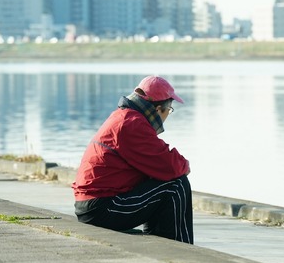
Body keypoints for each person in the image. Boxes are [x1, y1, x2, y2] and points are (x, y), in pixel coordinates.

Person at [72, 75, 194, 244]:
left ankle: (161, 242)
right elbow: (170, 166)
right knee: (176, 185)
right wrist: (185, 166)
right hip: (101, 208)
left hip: (94, 204)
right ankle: (181, 248)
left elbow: (159, 161)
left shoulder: (124, 117)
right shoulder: (132, 124)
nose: (167, 115)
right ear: (158, 109)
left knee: (161, 179)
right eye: (169, 110)